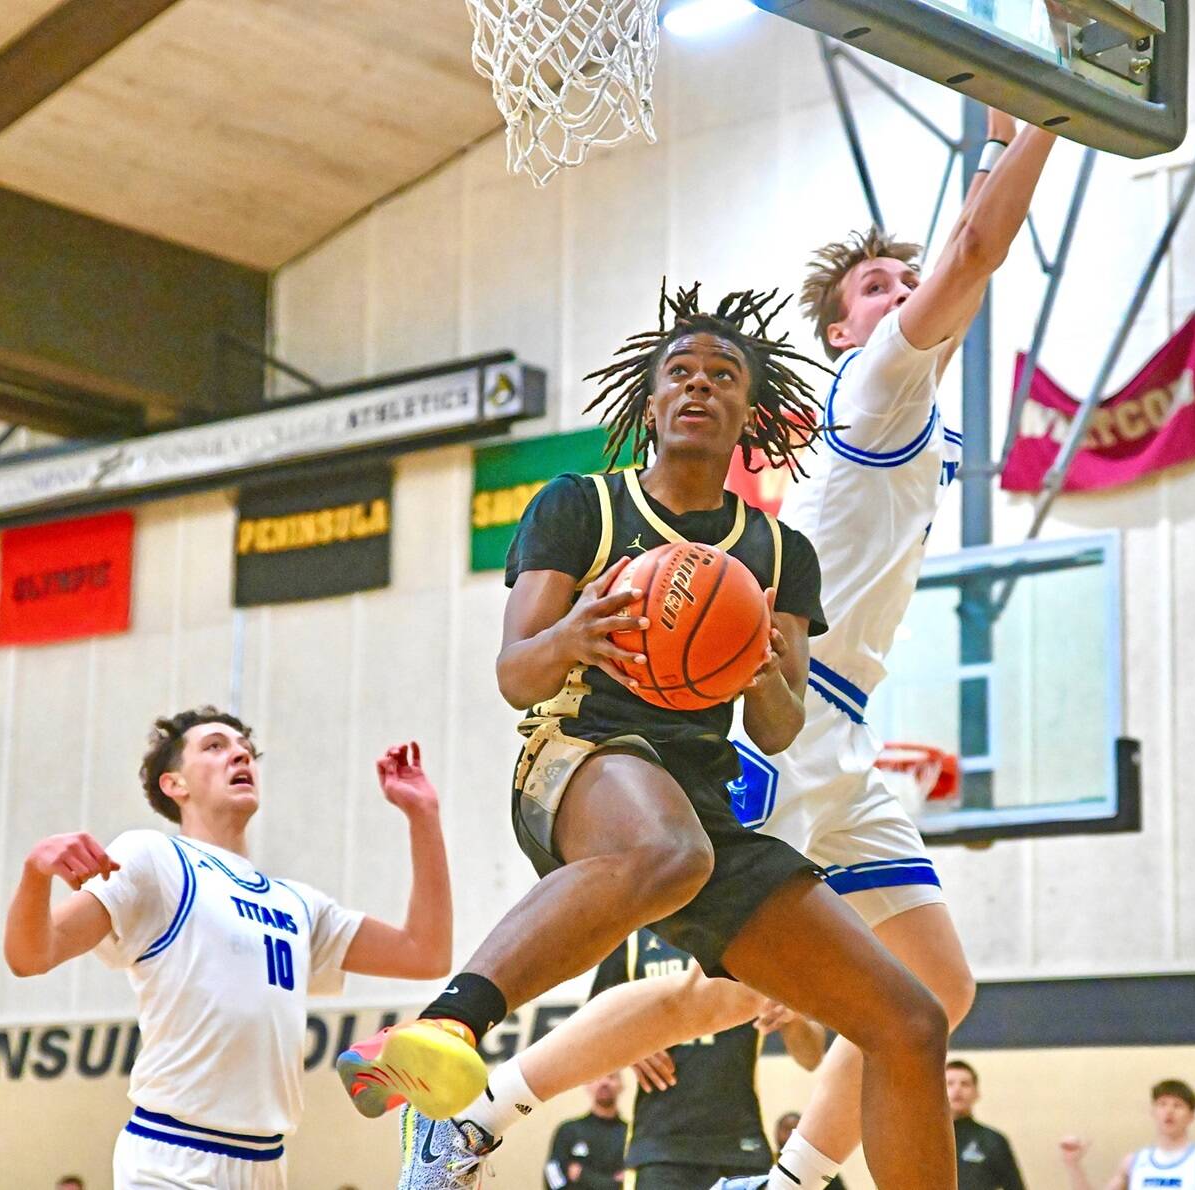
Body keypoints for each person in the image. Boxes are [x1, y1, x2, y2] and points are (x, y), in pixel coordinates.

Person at [383, 108, 1059, 1190]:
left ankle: (787, 1177)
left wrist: (990, 145)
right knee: (720, 979)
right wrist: (1044, 122)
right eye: (874, 289)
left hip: (824, 714)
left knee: (928, 995)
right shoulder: (877, 384)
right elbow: (971, 251)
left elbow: (964, 256)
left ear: (749, 401)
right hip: (686, 736)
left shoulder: (851, 470)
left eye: (902, 278)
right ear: (842, 335)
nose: (901, 293)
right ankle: (479, 1104)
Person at [342, 282, 958, 1190]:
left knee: (910, 1020)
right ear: (653, 400)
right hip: (574, 754)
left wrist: (772, 676)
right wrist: (573, 635)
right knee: (668, 849)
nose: (699, 387)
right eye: (680, 374)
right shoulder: (581, 506)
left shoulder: (780, 554)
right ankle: (446, 1024)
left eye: (721, 376)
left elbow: (775, 731)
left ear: (752, 410)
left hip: (702, 808)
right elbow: (517, 674)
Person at [3, 708, 452, 1190]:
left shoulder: (298, 903)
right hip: (171, 1156)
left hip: (267, 1164)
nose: (239, 753)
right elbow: (31, 956)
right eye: (215, 746)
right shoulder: (154, 858)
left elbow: (425, 953)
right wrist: (34, 876)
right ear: (174, 784)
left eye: (245, 749)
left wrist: (422, 816)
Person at [590, 928, 826, 1190]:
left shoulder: (753, 930)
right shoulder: (635, 937)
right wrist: (628, 1043)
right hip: (660, 1150)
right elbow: (590, 1025)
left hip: (742, 1146)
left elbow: (812, 1056)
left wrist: (792, 1016)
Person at [1060, 1079, 1195, 1190]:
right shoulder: (1133, 1162)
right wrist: (1073, 1164)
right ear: (1153, 1112)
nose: (1169, 1111)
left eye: (1177, 1105)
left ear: (1191, 1116)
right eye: (1162, 1104)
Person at [945, 1060, 1025, 1190]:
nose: (957, 1089)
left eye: (965, 1084)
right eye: (949, 1084)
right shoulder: (923, 1141)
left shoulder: (993, 1140)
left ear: (976, 1093)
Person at [542, 1072, 629, 1189]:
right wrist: (612, 1182)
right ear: (587, 1085)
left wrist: (582, 1175)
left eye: (611, 1077)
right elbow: (552, 1175)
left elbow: (631, 1181)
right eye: (597, 1077)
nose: (604, 1082)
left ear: (621, 1085)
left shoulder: (632, 1134)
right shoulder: (569, 1130)